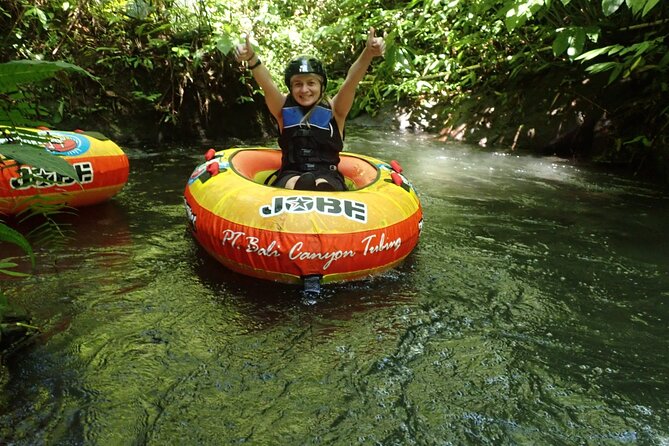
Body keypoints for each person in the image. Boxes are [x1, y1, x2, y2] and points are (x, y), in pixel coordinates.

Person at [234, 28, 386, 191]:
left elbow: (351, 81)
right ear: (291, 88)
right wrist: (251, 58)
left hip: (328, 174)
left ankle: (322, 189)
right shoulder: (282, 110)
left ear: (321, 86)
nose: (304, 90)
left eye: (311, 83)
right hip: (290, 174)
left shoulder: (336, 111)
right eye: (298, 84)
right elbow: (267, 84)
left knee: (324, 182)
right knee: (291, 181)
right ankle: (302, 186)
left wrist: (368, 53)